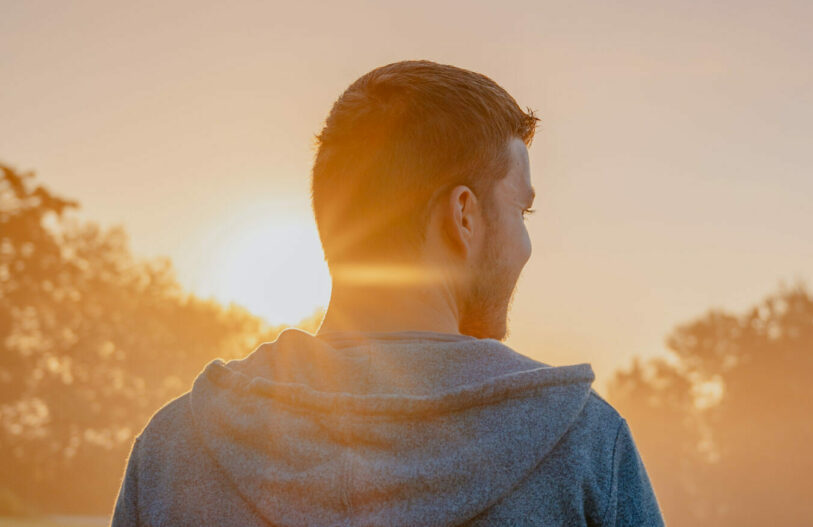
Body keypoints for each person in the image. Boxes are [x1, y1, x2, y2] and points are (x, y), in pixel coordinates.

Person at [110, 60, 664, 526]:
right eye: (523, 210)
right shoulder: (584, 447)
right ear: (464, 215)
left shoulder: (175, 450)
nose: (526, 245)